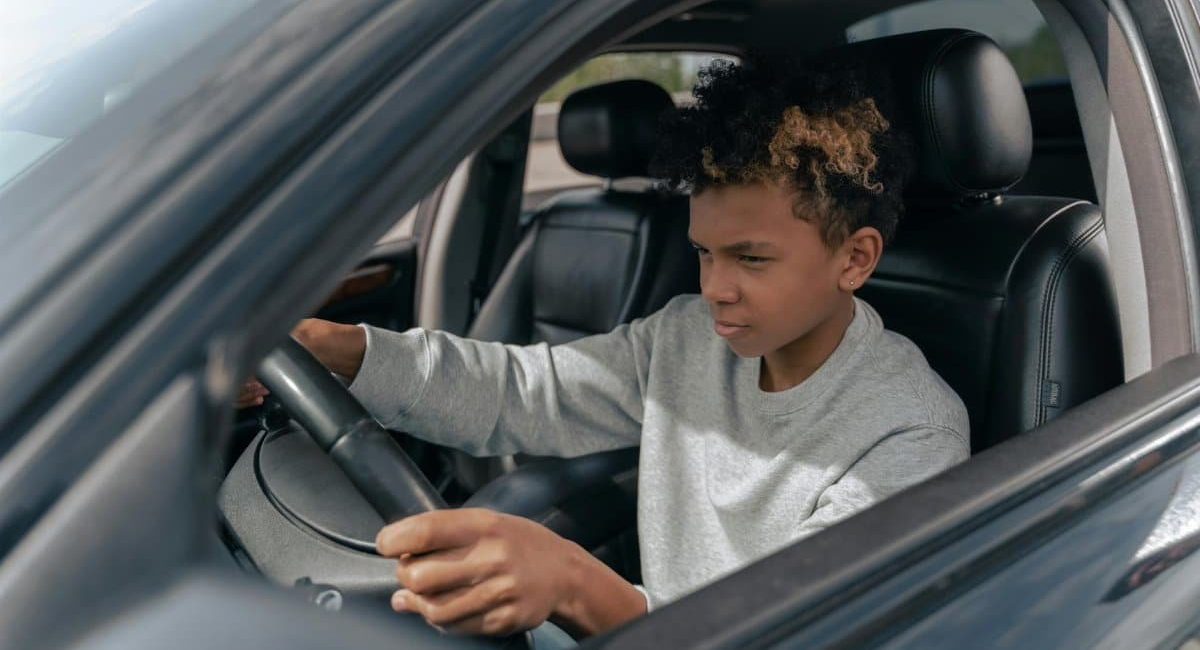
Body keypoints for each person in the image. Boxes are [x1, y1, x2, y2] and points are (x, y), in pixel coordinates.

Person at [238, 58, 969, 641]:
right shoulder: (687, 336)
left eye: (750, 259)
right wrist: (338, 349)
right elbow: (522, 390)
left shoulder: (909, 432)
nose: (714, 287)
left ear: (855, 258)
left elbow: (795, 629)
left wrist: (571, 582)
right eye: (703, 253)